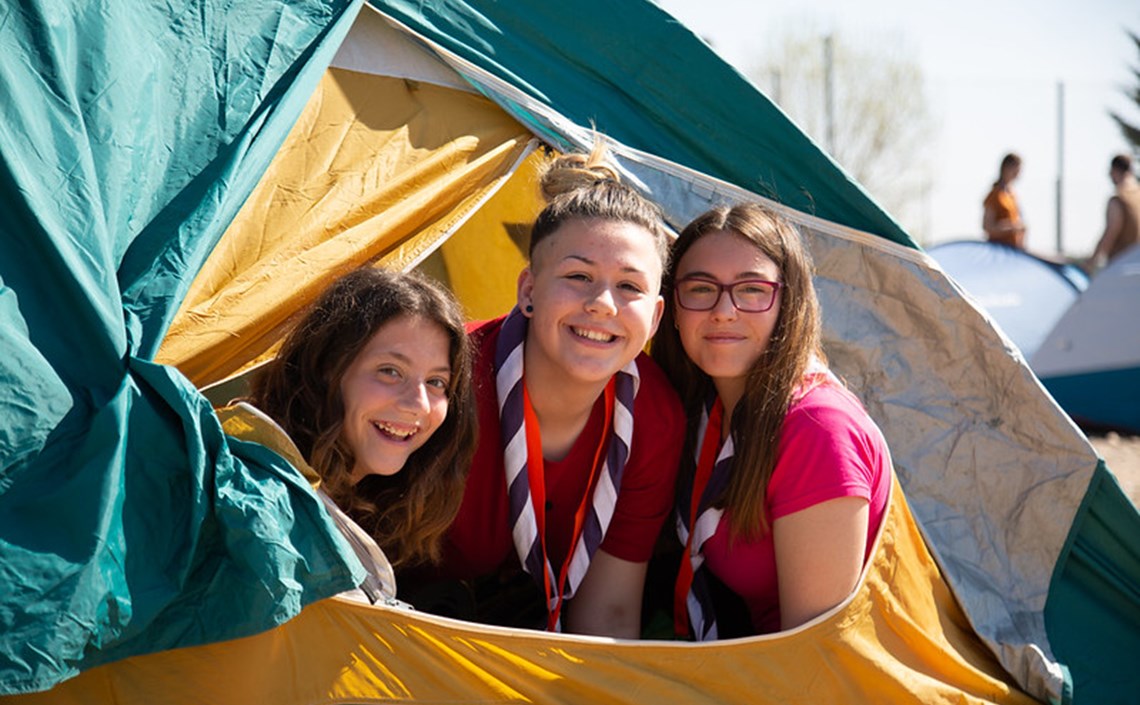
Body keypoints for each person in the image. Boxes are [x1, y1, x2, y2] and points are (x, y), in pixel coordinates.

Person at [410, 143, 685, 638]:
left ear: (657, 317)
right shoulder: (446, 376)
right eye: (578, 276)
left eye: (629, 287)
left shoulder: (656, 418)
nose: (602, 304)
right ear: (529, 292)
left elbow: (611, 612)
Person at [652, 203, 891, 639]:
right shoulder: (702, 409)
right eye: (701, 288)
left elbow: (815, 652)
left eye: (752, 289)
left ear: (789, 302)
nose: (724, 310)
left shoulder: (817, 428)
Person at [238, 267, 477, 598]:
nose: (418, 404)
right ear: (327, 369)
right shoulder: (252, 495)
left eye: (437, 382)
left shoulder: (372, 509)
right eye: (390, 372)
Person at [1089, 153, 1140, 270]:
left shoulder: (1118, 200)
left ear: (1114, 171)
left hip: (1120, 266)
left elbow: (1111, 231)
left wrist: (1092, 261)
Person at [983, 152, 1027, 249]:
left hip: (1013, 250)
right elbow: (987, 227)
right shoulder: (995, 195)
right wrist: (1012, 227)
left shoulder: (1011, 195)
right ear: (1006, 168)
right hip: (998, 249)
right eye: (1016, 170)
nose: (1018, 174)